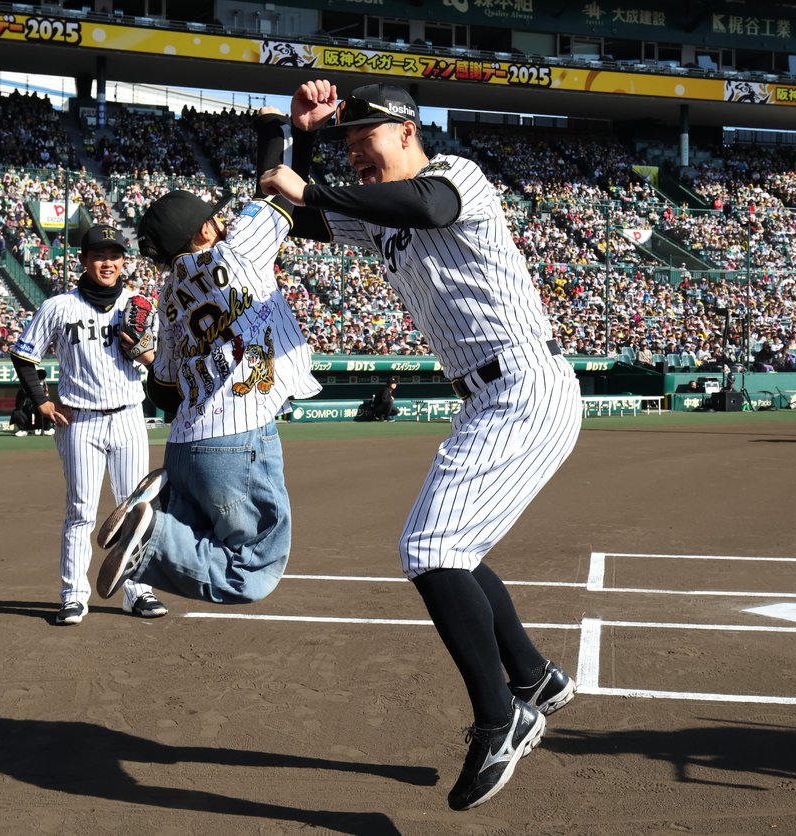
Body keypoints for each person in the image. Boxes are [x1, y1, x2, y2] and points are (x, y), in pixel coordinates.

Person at [260, 80, 584, 811]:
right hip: (493, 395)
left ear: (407, 131)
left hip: (524, 383)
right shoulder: (376, 213)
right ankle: (533, 677)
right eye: (347, 147)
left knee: (430, 548)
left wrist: (314, 180)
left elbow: (425, 207)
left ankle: (503, 717)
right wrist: (300, 135)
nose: (355, 157)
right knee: (453, 551)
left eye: (364, 141)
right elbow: (295, 209)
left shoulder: (453, 176)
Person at [93, 108, 322, 608]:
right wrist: (272, 134)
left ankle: (160, 513)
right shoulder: (234, 252)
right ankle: (152, 535)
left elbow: (166, 389)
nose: (220, 222)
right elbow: (278, 192)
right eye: (212, 219)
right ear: (199, 233)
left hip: (185, 444)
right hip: (239, 437)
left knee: (201, 530)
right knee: (252, 564)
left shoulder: (169, 292)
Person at [9, 223, 168, 625]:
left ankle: (138, 592)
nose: (108, 263)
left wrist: (146, 350)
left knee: (140, 509)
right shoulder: (60, 307)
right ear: (83, 261)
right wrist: (42, 401)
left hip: (130, 416)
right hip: (80, 421)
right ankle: (73, 596)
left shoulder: (137, 303)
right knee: (81, 511)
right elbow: (24, 355)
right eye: (99, 256)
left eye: (114, 256)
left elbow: (161, 358)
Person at [11, 367, 55, 437]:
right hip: (27, 408)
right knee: (17, 412)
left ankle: (46, 429)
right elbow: (18, 405)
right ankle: (24, 429)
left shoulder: (44, 385)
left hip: (39, 407)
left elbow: (47, 400)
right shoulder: (25, 386)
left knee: (47, 408)